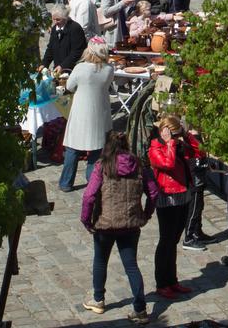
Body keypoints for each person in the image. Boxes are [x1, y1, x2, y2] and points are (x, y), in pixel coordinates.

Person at [80, 130, 159, 323]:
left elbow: (89, 196)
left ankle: (98, 299)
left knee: (100, 261)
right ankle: (140, 310)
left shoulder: (102, 166)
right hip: (130, 225)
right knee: (131, 265)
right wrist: (146, 213)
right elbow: (154, 192)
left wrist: (86, 220)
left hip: (104, 224)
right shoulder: (139, 165)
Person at [146, 115, 201, 300]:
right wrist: (170, 143)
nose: (177, 139)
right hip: (167, 198)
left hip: (182, 195)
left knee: (175, 239)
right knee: (166, 241)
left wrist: (187, 136)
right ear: (166, 132)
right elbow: (167, 164)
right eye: (175, 135)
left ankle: (172, 280)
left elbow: (199, 152)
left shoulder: (179, 143)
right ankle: (162, 283)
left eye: (179, 135)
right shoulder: (155, 147)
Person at [61, 44, 115, 192]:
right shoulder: (109, 69)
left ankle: (66, 182)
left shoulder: (80, 68)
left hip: (81, 112)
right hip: (100, 113)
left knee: (73, 148)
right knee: (97, 149)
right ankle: (92, 182)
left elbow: (70, 86)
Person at [42, 5, 86, 73]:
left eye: (58, 19)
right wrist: (44, 64)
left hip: (72, 69)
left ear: (65, 18)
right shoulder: (54, 29)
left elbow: (77, 51)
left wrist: (63, 66)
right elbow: (50, 48)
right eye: (53, 19)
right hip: (58, 69)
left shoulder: (75, 28)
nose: (55, 22)